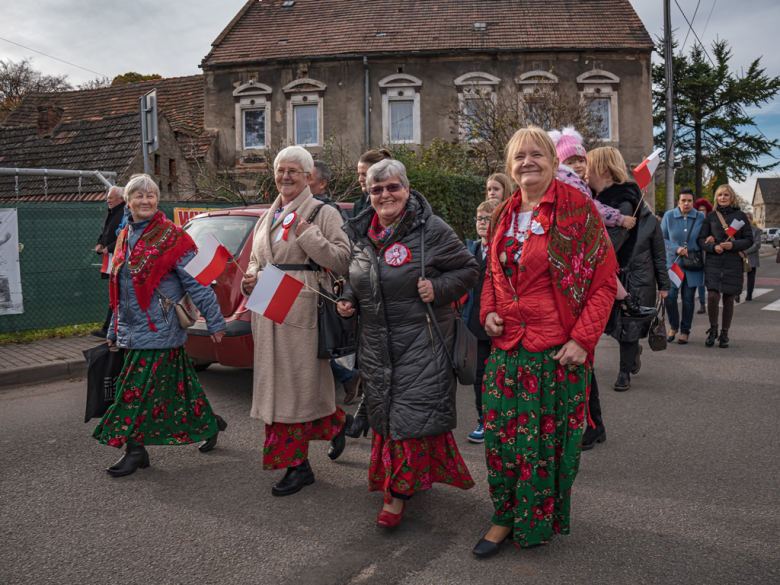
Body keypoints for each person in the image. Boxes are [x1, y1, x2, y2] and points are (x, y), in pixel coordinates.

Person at [474, 127, 617, 555]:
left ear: (555, 162)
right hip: (506, 351)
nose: (527, 163)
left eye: (537, 154)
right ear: (509, 166)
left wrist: (582, 340)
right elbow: (491, 277)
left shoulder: (577, 210)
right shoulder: (502, 213)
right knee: (501, 442)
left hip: (555, 353)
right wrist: (488, 312)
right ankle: (503, 516)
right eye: (519, 157)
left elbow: (604, 282)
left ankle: (536, 521)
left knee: (545, 448)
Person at [336, 158, 479, 528]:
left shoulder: (430, 229)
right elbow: (359, 276)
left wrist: (439, 288)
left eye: (392, 187)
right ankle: (406, 480)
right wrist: (350, 298)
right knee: (388, 417)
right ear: (368, 193)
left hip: (423, 343)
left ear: (407, 188)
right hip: (376, 344)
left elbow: (468, 269)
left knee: (409, 414)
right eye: (377, 189)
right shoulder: (361, 231)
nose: (385, 195)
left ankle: (395, 495)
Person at [92, 174, 228, 477]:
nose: (145, 201)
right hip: (131, 331)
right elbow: (119, 290)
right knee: (179, 392)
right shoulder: (124, 234)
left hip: (160, 331)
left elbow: (199, 283)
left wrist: (216, 322)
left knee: (133, 395)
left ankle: (135, 451)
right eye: (138, 196)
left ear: (157, 200)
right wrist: (114, 330)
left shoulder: (173, 236)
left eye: (150, 196)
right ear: (128, 202)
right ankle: (210, 422)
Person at [240, 146, 352, 497]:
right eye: (280, 169)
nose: (285, 176)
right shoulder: (267, 216)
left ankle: (297, 466)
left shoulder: (321, 212)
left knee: (296, 391)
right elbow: (258, 259)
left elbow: (342, 259)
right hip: (268, 306)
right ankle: (337, 423)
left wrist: (307, 233)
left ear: (308, 176)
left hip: (301, 309)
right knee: (282, 388)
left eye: (292, 170)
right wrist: (252, 277)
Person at [588, 147, 670, 391]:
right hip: (609, 277)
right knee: (611, 325)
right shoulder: (594, 206)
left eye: (588, 165)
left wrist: (664, 285)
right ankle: (634, 351)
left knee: (629, 327)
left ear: (602, 168)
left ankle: (624, 372)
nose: (583, 172)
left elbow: (659, 254)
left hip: (638, 279)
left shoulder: (641, 215)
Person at [307, 160, 361, 403]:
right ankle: (347, 378)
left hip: (323, 288)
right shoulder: (290, 208)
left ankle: (348, 378)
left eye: (307, 177)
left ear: (322, 184)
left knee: (319, 346)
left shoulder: (327, 211)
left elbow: (343, 255)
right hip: (302, 288)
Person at [697, 185, 753, 348]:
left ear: (732, 197)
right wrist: (713, 247)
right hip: (714, 263)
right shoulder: (712, 216)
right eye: (720, 195)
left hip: (733, 263)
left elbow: (749, 240)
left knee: (729, 300)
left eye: (726, 195)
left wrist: (733, 245)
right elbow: (701, 240)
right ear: (716, 198)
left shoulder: (740, 215)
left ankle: (724, 333)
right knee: (713, 298)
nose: (723, 198)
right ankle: (713, 329)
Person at [463, 199, 499, 443]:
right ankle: (483, 421)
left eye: (489, 218)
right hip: (475, 324)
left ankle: (500, 420)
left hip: (498, 323)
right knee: (479, 376)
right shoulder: (470, 249)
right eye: (480, 218)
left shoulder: (504, 248)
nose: (483, 223)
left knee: (499, 375)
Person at [660, 187, 705, 344]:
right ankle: (673, 326)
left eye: (689, 201)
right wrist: (676, 248)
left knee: (688, 298)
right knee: (671, 297)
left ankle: (685, 330)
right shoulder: (669, 216)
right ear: (678, 201)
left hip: (692, 264)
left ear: (693, 202)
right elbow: (662, 238)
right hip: (674, 264)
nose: (686, 203)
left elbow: (703, 237)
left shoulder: (700, 217)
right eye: (683, 200)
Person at [92, 186, 126, 338]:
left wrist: (111, 247)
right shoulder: (111, 213)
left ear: (121, 198)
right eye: (108, 198)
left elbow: (124, 234)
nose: (108, 200)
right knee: (115, 294)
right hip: (112, 257)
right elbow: (105, 232)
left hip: (120, 259)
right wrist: (100, 243)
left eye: (111, 198)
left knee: (118, 294)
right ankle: (110, 328)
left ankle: (110, 328)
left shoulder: (125, 213)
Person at [353, 149, 393, 218]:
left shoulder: (391, 202)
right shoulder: (358, 205)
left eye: (365, 175)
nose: (360, 179)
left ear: (380, 174)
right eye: (359, 174)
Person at [694, 198, 713, 313]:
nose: (702, 212)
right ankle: (702, 303)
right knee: (701, 281)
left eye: (704, 210)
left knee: (711, 279)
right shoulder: (695, 223)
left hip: (710, 253)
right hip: (699, 254)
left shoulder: (712, 222)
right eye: (700, 210)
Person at [744, 211, 762, 301]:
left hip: (751, 257)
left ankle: (749, 294)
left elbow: (757, 244)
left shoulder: (756, 230)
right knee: (738, 276)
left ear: (750, 219)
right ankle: (737, 294)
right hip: (740, 257)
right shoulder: (739, 230)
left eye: (747, 217)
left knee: (751, 277)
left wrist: (746, 251)